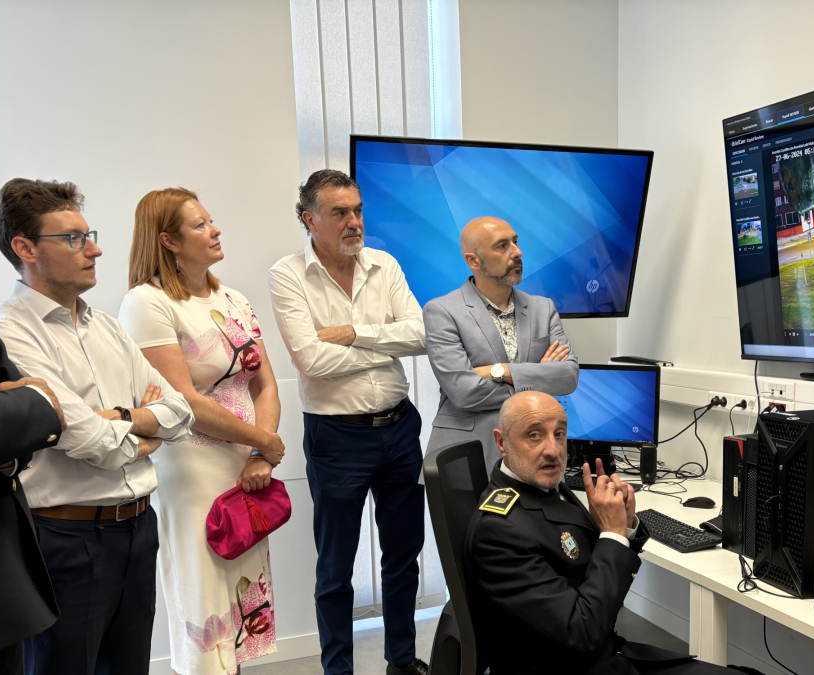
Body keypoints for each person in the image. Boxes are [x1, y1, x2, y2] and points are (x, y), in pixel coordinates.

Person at [0, 178, 196, 675]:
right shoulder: (8, 332)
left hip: (140, 529)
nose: (95, 249)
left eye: (89, 234)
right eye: (74, 238)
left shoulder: (105, 326)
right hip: (64, 537)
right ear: (25, 248)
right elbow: (87, 441)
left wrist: (122, 420)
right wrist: (145, 435)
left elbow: (180, 410)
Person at [269, 169, 428, 675]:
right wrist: (381, 340)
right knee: (336, 568)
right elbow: (311, 362)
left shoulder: (384, 264)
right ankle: (338, 670)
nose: (354, 222)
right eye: (340, 213)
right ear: (308, 219)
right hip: (337, 437)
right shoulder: (288, 274)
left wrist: (351, 334)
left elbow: (421, 336)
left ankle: (401, 662)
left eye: (357, 210)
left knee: (404, 558)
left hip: (400, 428)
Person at [119, 188, 285, 674]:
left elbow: (266, 384)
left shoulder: (232, 298)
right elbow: (183, 399)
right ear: (168, 240)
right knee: (205, 593)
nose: (215, 230)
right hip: (192, 465)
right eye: (200, 225)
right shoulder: (145, 302)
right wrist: (264, 443)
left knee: (243, 591)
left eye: (211, 220)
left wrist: (262, 454)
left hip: (248, 462)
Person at [465, 392, 733, 675]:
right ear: (502, 442)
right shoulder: (498, 531)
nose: (553, 450)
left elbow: (583, 563)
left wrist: (625, 527)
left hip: (602, 652)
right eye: (534, 435)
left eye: (559, 434)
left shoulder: (543, 486)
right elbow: (582, 632)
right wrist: (613, 535)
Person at [424, 216, 579, 473]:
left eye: (516, 242)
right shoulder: (441, 311)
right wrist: (539, 378)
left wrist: (501, 371)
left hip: (538, 458)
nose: (517, 252)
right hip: (466, 457)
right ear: (473, 260)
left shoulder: (543, 308)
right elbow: (464, 392)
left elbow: (568, 377)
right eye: (502, 246)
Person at [0, 319, 66, 675]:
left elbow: (30, 436)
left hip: (0, 573)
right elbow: (45, 410)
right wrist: (38, 402)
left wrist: (7, 437)